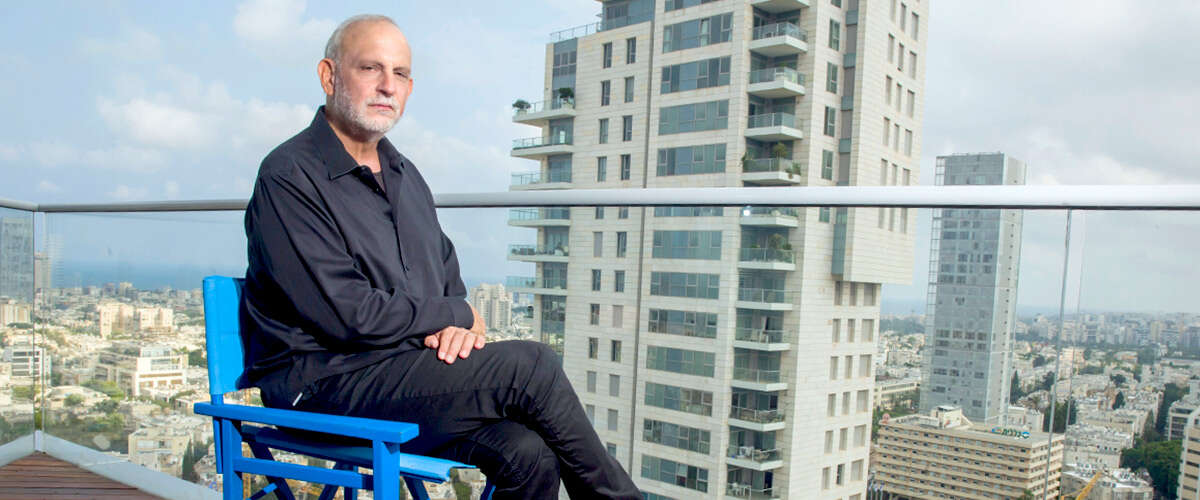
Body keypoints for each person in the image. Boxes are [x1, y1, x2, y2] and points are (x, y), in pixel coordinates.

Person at [240, 14, 640, 500]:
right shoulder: (288, 176)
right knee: (530, 365)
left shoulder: (406, 176)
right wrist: (458, 314)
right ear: (329, 76)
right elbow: (349, 314)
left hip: (403, 375)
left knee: (528, 453)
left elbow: (445, 279)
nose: (388, 86)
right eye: (370, 68)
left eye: (401, 73)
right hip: (320, 386)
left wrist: (456, 327)